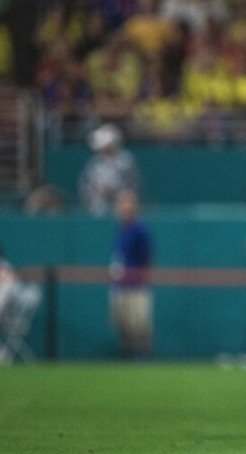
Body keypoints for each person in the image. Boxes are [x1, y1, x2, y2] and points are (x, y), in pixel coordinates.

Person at [109, 190, 153, 360]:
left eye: (126, 204)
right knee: (122, 324)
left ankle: (142, 356)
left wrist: (139, 276)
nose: (122, 208)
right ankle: (127, 356)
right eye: (120, 204)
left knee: (138, 324)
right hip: (119, 283)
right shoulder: (120, 229)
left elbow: (147, 256)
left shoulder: (140, 229)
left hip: (135, 285)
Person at [79, 123, 140, 216]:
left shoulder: (125, 161)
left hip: (121, 207)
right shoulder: (94, 163)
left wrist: (113, 190)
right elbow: (86, 185)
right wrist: (96, 192)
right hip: (98, 207)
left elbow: (132, 185)